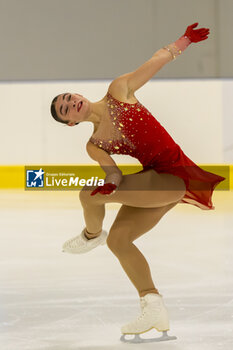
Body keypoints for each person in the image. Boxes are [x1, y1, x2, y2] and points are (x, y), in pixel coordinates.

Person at [50, 23, 225, 343]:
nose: (70, 102)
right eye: (65, 109)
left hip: (173, 175)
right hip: (154, 184)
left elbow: (156, 60)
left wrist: (184, 41)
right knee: (118, 240)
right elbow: (114, 174)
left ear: (78, 95)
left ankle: (90, 235)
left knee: (87, 195)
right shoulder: (94, 146)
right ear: (71, 122)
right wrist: (111, 184)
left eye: (68, 97)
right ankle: (153, 304)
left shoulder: (119, 91)